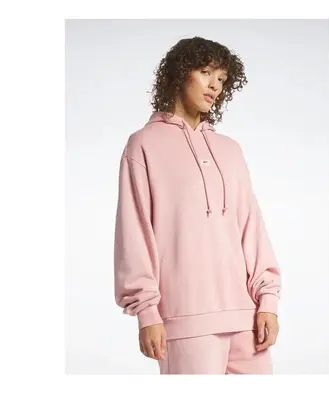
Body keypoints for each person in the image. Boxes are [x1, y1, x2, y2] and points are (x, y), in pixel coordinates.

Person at [113, 36, 282, 374]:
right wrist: (147, 313)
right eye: (206, 73)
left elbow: (252, 228)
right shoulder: (143, 145)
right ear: (180, 73)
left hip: (246, 318)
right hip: (184, 320)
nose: (215, 86)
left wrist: (268, 301)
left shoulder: (230, 149)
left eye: (222, 79)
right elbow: (134, 233)